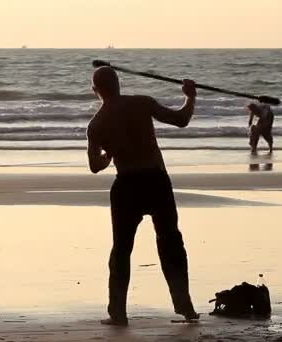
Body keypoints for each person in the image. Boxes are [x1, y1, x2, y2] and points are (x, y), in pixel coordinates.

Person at [86, 66, 199, 326]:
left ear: (95, 91)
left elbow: (95, 166)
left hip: (126, 185)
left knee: (122, 250)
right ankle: (185, 307)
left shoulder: (97, 124)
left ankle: (118, 313)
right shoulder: (142, 103)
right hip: (156, 181)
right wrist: (190, 96)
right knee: (171, 243)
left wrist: (108, 157)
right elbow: (181, 119)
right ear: (118, 84)